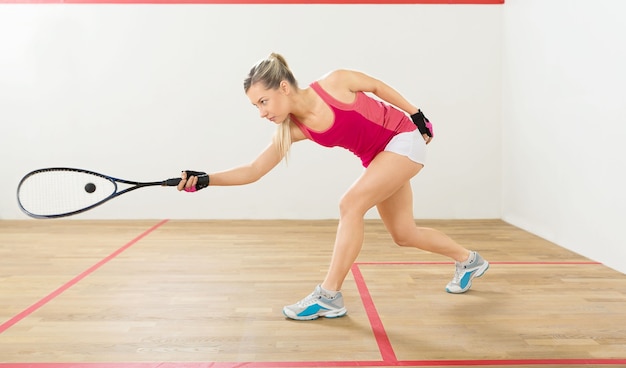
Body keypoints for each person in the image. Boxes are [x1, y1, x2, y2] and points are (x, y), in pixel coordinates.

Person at [177, 53, 489, 321]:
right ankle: (469, 260)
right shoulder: (293, 130)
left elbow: (376, 86)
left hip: (403, 138)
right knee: (404, 234)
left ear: (283, 87)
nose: (262, 112)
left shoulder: (335, 82)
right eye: (255, 106)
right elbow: (254, 170)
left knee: (349, 204)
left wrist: (417, 114)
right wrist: (205, 179)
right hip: (380, 158)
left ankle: (329, 295)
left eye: (263, 101)